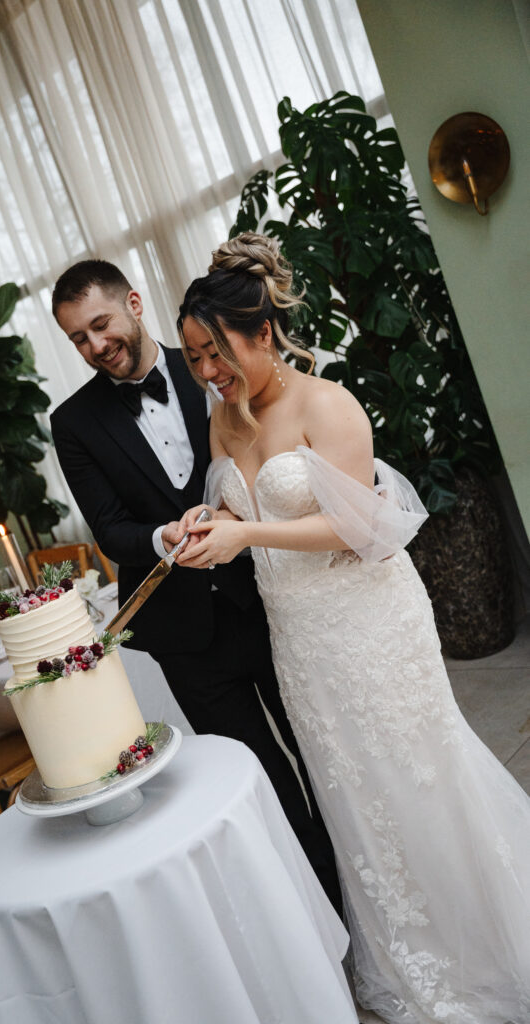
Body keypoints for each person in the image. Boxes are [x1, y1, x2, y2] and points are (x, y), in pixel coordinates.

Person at [175, 232, 530, 1024]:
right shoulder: (222, 420)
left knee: (418, 774)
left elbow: (361, 529)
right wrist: (202, 525)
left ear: (261, 332)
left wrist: (246, 536)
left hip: (369, 623)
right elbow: (239, 507)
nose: (206, 372)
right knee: (351, 790)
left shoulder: (327, 404)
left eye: (215, 352)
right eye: (194, 356)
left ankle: (487, 942)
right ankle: (404, 953)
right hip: (299, 637)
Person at [49, 258, 342, 913]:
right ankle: (319, 914)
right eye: (77, 338)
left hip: (272, 601)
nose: (95, 345)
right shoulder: (72, 423)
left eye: (100, 324)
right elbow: (111, 530)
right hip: (185, 638)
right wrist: (165, 539)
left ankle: (363, 887)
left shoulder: (215, 361)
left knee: (320, 753)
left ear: (132, 303)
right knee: (258, 779)